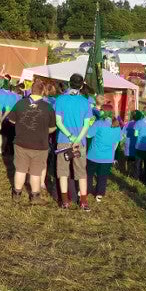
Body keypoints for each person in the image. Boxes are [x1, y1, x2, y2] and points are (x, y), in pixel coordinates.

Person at [6, 83, 56, 205]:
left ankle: (17, 194)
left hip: (21, 142)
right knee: (36, 172)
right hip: (40, 144)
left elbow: (11, 120)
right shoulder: (48, 107)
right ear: (43, 92)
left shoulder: (21, 103)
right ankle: (35, 197)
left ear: (30, 90)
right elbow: (53, 127)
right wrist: (44, 131)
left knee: (20, 170)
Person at [54, 74, 94, 211]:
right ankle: (83, 202)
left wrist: (70, 137)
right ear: (82, 85)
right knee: (81, 172)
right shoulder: (85, 102)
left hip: (63, 140)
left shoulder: (60, 99)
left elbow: (58, 122)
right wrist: (77, 139)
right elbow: (87, 124)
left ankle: (65, 201)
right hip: (80, 142)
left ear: (69, 83)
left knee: (63, 172)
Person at [86, 114, 122, 202]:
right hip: (108, 157)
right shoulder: (117, 126)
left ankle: (86, 190)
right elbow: (117, 142)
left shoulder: (98, 123)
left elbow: (88, 135)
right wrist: (112, 151)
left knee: (89, 174)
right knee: (103, 176)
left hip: (93, 155)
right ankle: (99, 194)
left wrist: (89, 125)